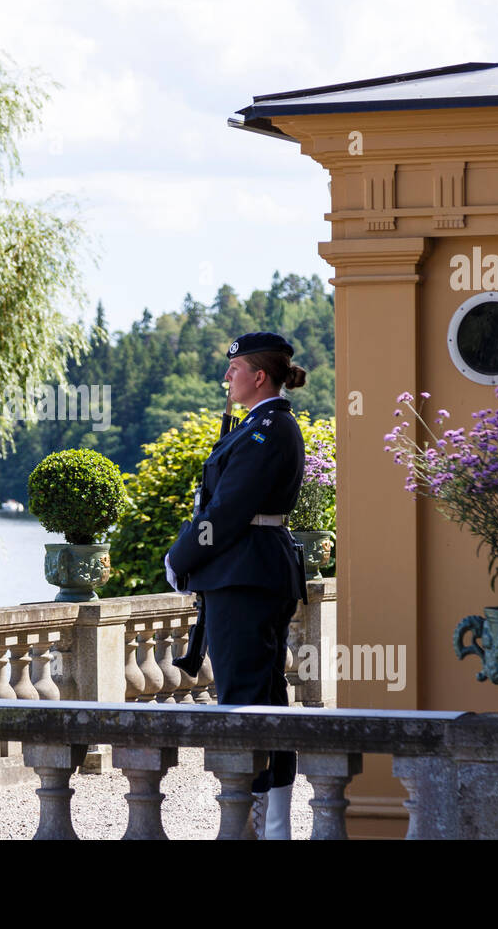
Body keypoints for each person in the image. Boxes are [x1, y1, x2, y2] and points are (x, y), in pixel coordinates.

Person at [164, 332, 307, 839]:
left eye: (234, 369)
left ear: (258, 376)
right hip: (251, 572)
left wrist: (180, 558)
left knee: (245, 699)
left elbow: (227, 510)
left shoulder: (268, 430)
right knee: (264, 696)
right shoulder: (261, 426)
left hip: (246, 575)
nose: (227, 378)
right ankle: (271, 823)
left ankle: (254, 824)